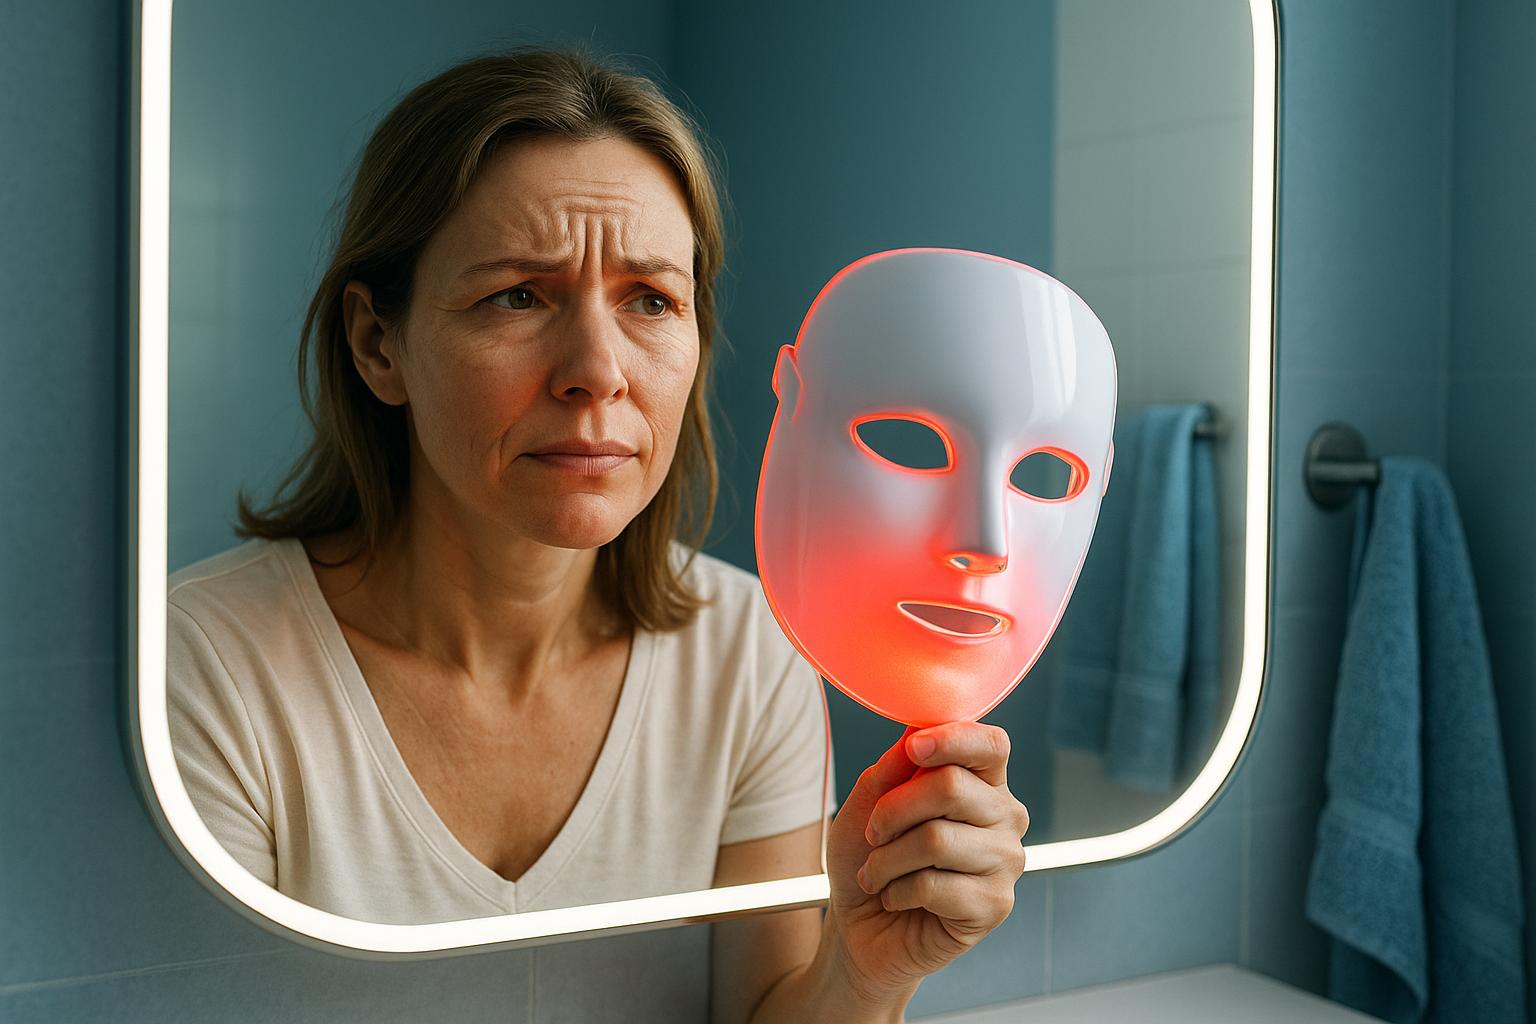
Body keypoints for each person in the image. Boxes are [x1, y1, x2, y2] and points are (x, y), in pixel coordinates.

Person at [167, 47, 1028, 1022]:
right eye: (518, 296)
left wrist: (865, 973)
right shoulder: (207, 670)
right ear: (377, 343)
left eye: (650, 299)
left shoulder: (749, 650)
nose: (596, 371)